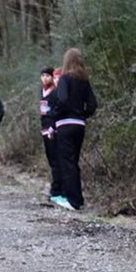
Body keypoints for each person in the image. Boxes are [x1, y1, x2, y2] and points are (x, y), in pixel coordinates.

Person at [51, 48, 98, 211]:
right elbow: (93, 105)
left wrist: (54, 113)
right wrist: (82, 115)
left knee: (67, 162)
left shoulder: (65, 79)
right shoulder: (84, 81)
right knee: (74, 161)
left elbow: (62, 99)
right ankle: (78, 198)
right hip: (79, 125)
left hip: (65, 125)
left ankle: (73, 201)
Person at [40, 67, 62, 200]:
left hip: (53, 129)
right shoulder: (41, 91)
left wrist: (52, 128)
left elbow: (56, 112)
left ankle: (57, 189)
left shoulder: (56, 92)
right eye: (42, 75)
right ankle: (55, 186)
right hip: (44, 127)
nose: (45, 78)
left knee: (56, 160)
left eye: (48, 76)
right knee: (50, 159)